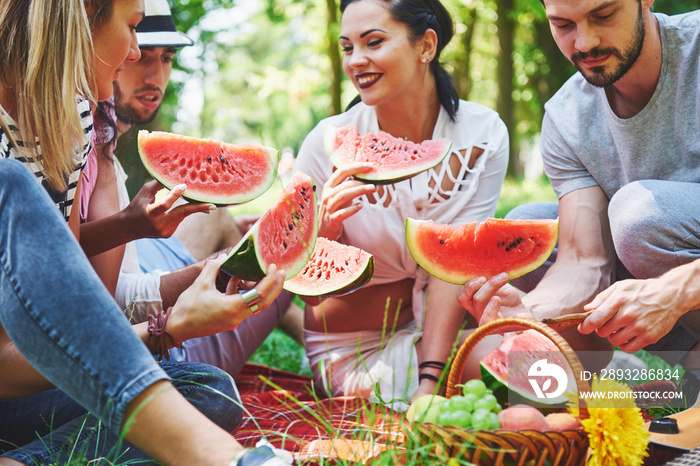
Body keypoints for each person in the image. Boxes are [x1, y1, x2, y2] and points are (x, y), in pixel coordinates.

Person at [0, 1, 290, 464]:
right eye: (133, 28)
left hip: (24, 386)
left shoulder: (75, 120)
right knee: (9, 182)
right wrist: (164, 330)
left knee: (208, 388)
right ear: (87, 12)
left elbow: (71, 293)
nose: (135, 52)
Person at [293, 0, 509, 405]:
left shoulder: (483, 135)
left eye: (373, 42)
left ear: (426, 46)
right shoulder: (327, 143)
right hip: (352, 354)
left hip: (436, 337)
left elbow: (452, 264)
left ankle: (647, 389)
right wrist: (322, 235)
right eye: (347, 47)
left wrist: (430, 381)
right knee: (527, 368)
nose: (356, 60)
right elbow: (305, 292)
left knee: (548, 357)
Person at [459, 0, 700, 362]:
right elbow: (584, 262)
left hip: (674, 267)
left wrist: (677, 289)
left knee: (639, 215)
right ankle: (641, 373)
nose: (584, 43)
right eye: (562, 25)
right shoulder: (566, 117)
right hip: (663, 277)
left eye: (603, 16)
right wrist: (530, 313)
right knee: (526, 238)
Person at [79, 0, 299, 376]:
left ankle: (310, 327)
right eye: (140, 53)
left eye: (166, 58)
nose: (155, 75)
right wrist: (224, 264)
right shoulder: (84, 148)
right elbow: (111, 302)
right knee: (287, 260)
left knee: (221, 219)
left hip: (121, 300)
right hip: (143, 345)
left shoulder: (103, 145)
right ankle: (318, 335)